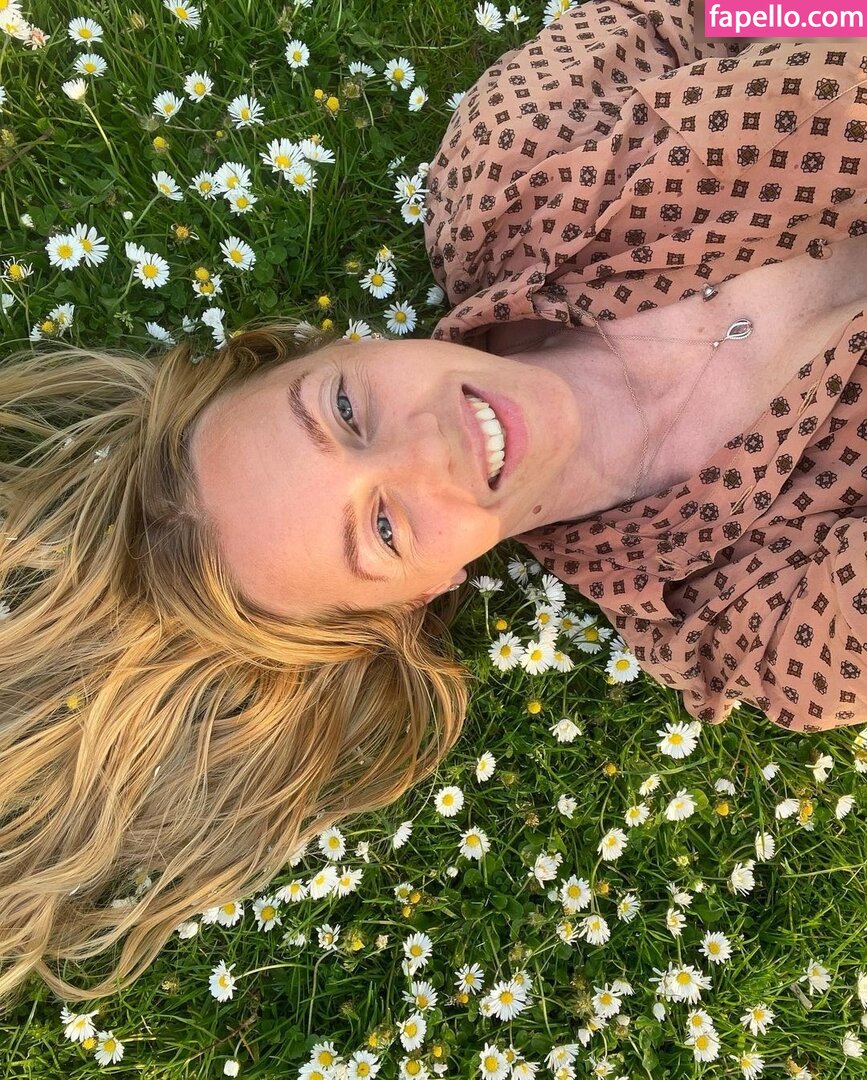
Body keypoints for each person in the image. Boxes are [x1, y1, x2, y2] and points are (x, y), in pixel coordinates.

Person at [0, 0, 864, 1012]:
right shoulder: (755, 622)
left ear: (337, 347)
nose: (429, 446)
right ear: (420, 596)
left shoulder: (513, 162)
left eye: (344, 410)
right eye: (382, 527)